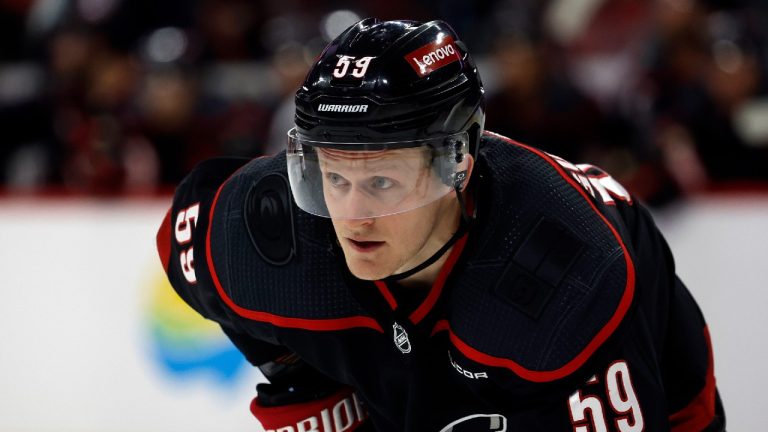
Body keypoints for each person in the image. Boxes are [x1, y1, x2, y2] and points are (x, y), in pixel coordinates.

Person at [156, 18, 726, 431]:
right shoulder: (256, 228)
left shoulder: (565, 279)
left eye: (383, 181)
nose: (352, 216)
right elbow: (187, 245)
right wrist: (299, 380)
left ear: (458, 162)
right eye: (333, 178)